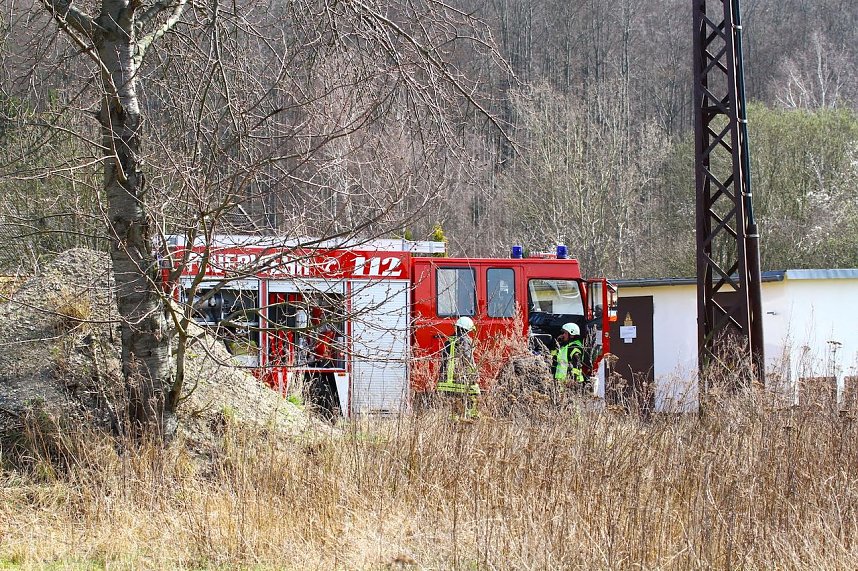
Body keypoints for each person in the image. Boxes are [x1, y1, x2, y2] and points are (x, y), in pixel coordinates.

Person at [437, 316, 480, 419]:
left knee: (453, 404)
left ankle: (453, 422)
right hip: (460, 379)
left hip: (445, 380)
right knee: (474, 395)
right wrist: (474, 374)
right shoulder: (465, 341)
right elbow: (468, 359)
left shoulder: (449, 340)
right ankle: (471, 419)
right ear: (468, 329)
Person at [552, 322, 585, 393]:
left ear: (572, 335)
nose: (562, 335)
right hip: (563, 383)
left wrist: (573, 379)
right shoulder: (565, 346)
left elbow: (577, 363)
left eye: (565, 333)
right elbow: (553, 357)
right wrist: (557, 344)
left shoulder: (574, 347)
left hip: (571, 384)